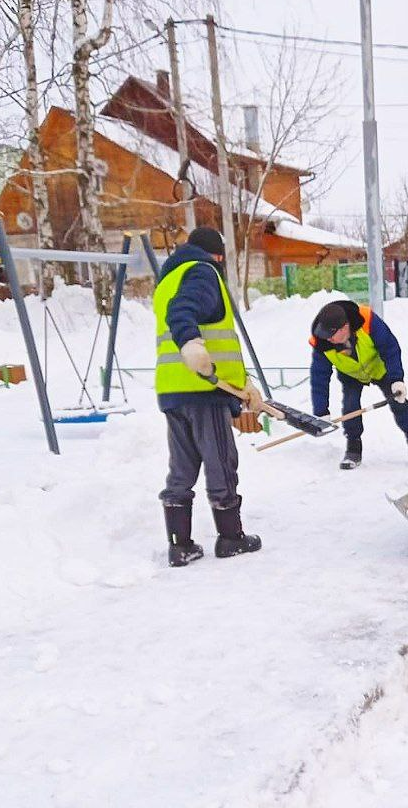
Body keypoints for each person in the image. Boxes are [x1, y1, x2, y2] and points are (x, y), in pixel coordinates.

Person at [153, 226, 265, 567]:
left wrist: (244, 385)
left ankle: (180, 545)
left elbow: (214, 340)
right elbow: (183, 313)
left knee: (182, 468)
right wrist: (190, 343)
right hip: (204, 390)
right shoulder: (203, 272)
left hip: (174, 389)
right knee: (220, 464)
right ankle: (231, 538)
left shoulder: (167, 279)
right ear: (217, 256)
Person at [309, 300, 408, 470]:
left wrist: (396, 380)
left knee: (399, 404)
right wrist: (321, 411)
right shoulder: (323, 343)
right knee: (350, 408)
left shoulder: (368, 321)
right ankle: (353, 450)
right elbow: (319, 377)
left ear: (345, 327)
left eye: (331, 335)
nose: (328, 339)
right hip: (351, 374)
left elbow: (390, 349)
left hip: (379, 368)